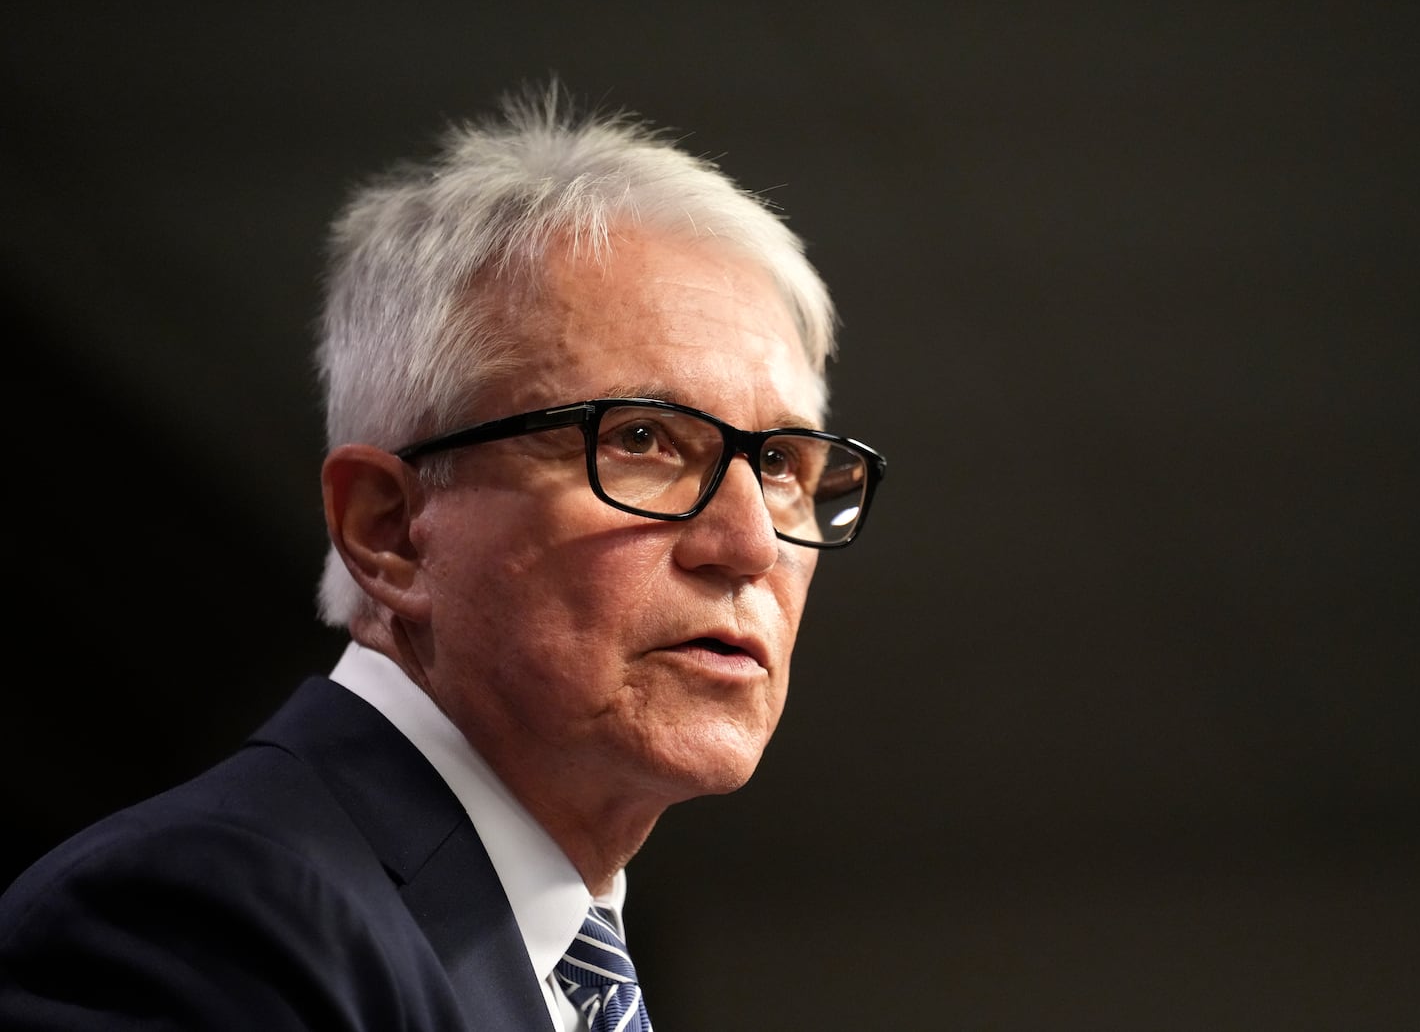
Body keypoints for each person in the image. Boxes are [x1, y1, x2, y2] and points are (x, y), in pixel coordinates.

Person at [0, 83, 886, 1031]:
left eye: (784, 464)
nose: (751, 542)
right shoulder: (203, 919)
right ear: (388, 527)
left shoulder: (568, 971)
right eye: (642, 439)